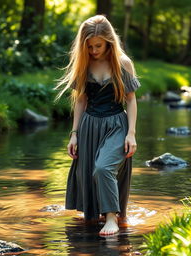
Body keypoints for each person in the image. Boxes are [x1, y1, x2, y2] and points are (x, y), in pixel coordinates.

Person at [56, 15, 141, 236]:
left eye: (98, 46)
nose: (94, 50)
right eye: (89, 46)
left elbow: (131, 100)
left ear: (109, 41)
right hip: (90, 125)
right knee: (90, 174)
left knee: (103, 168)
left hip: (116, 124)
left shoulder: (123, 63)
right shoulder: (84, 63)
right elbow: (81, 100)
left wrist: (131, 133)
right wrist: (74, 134)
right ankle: (98, 216)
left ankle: (112, 218)